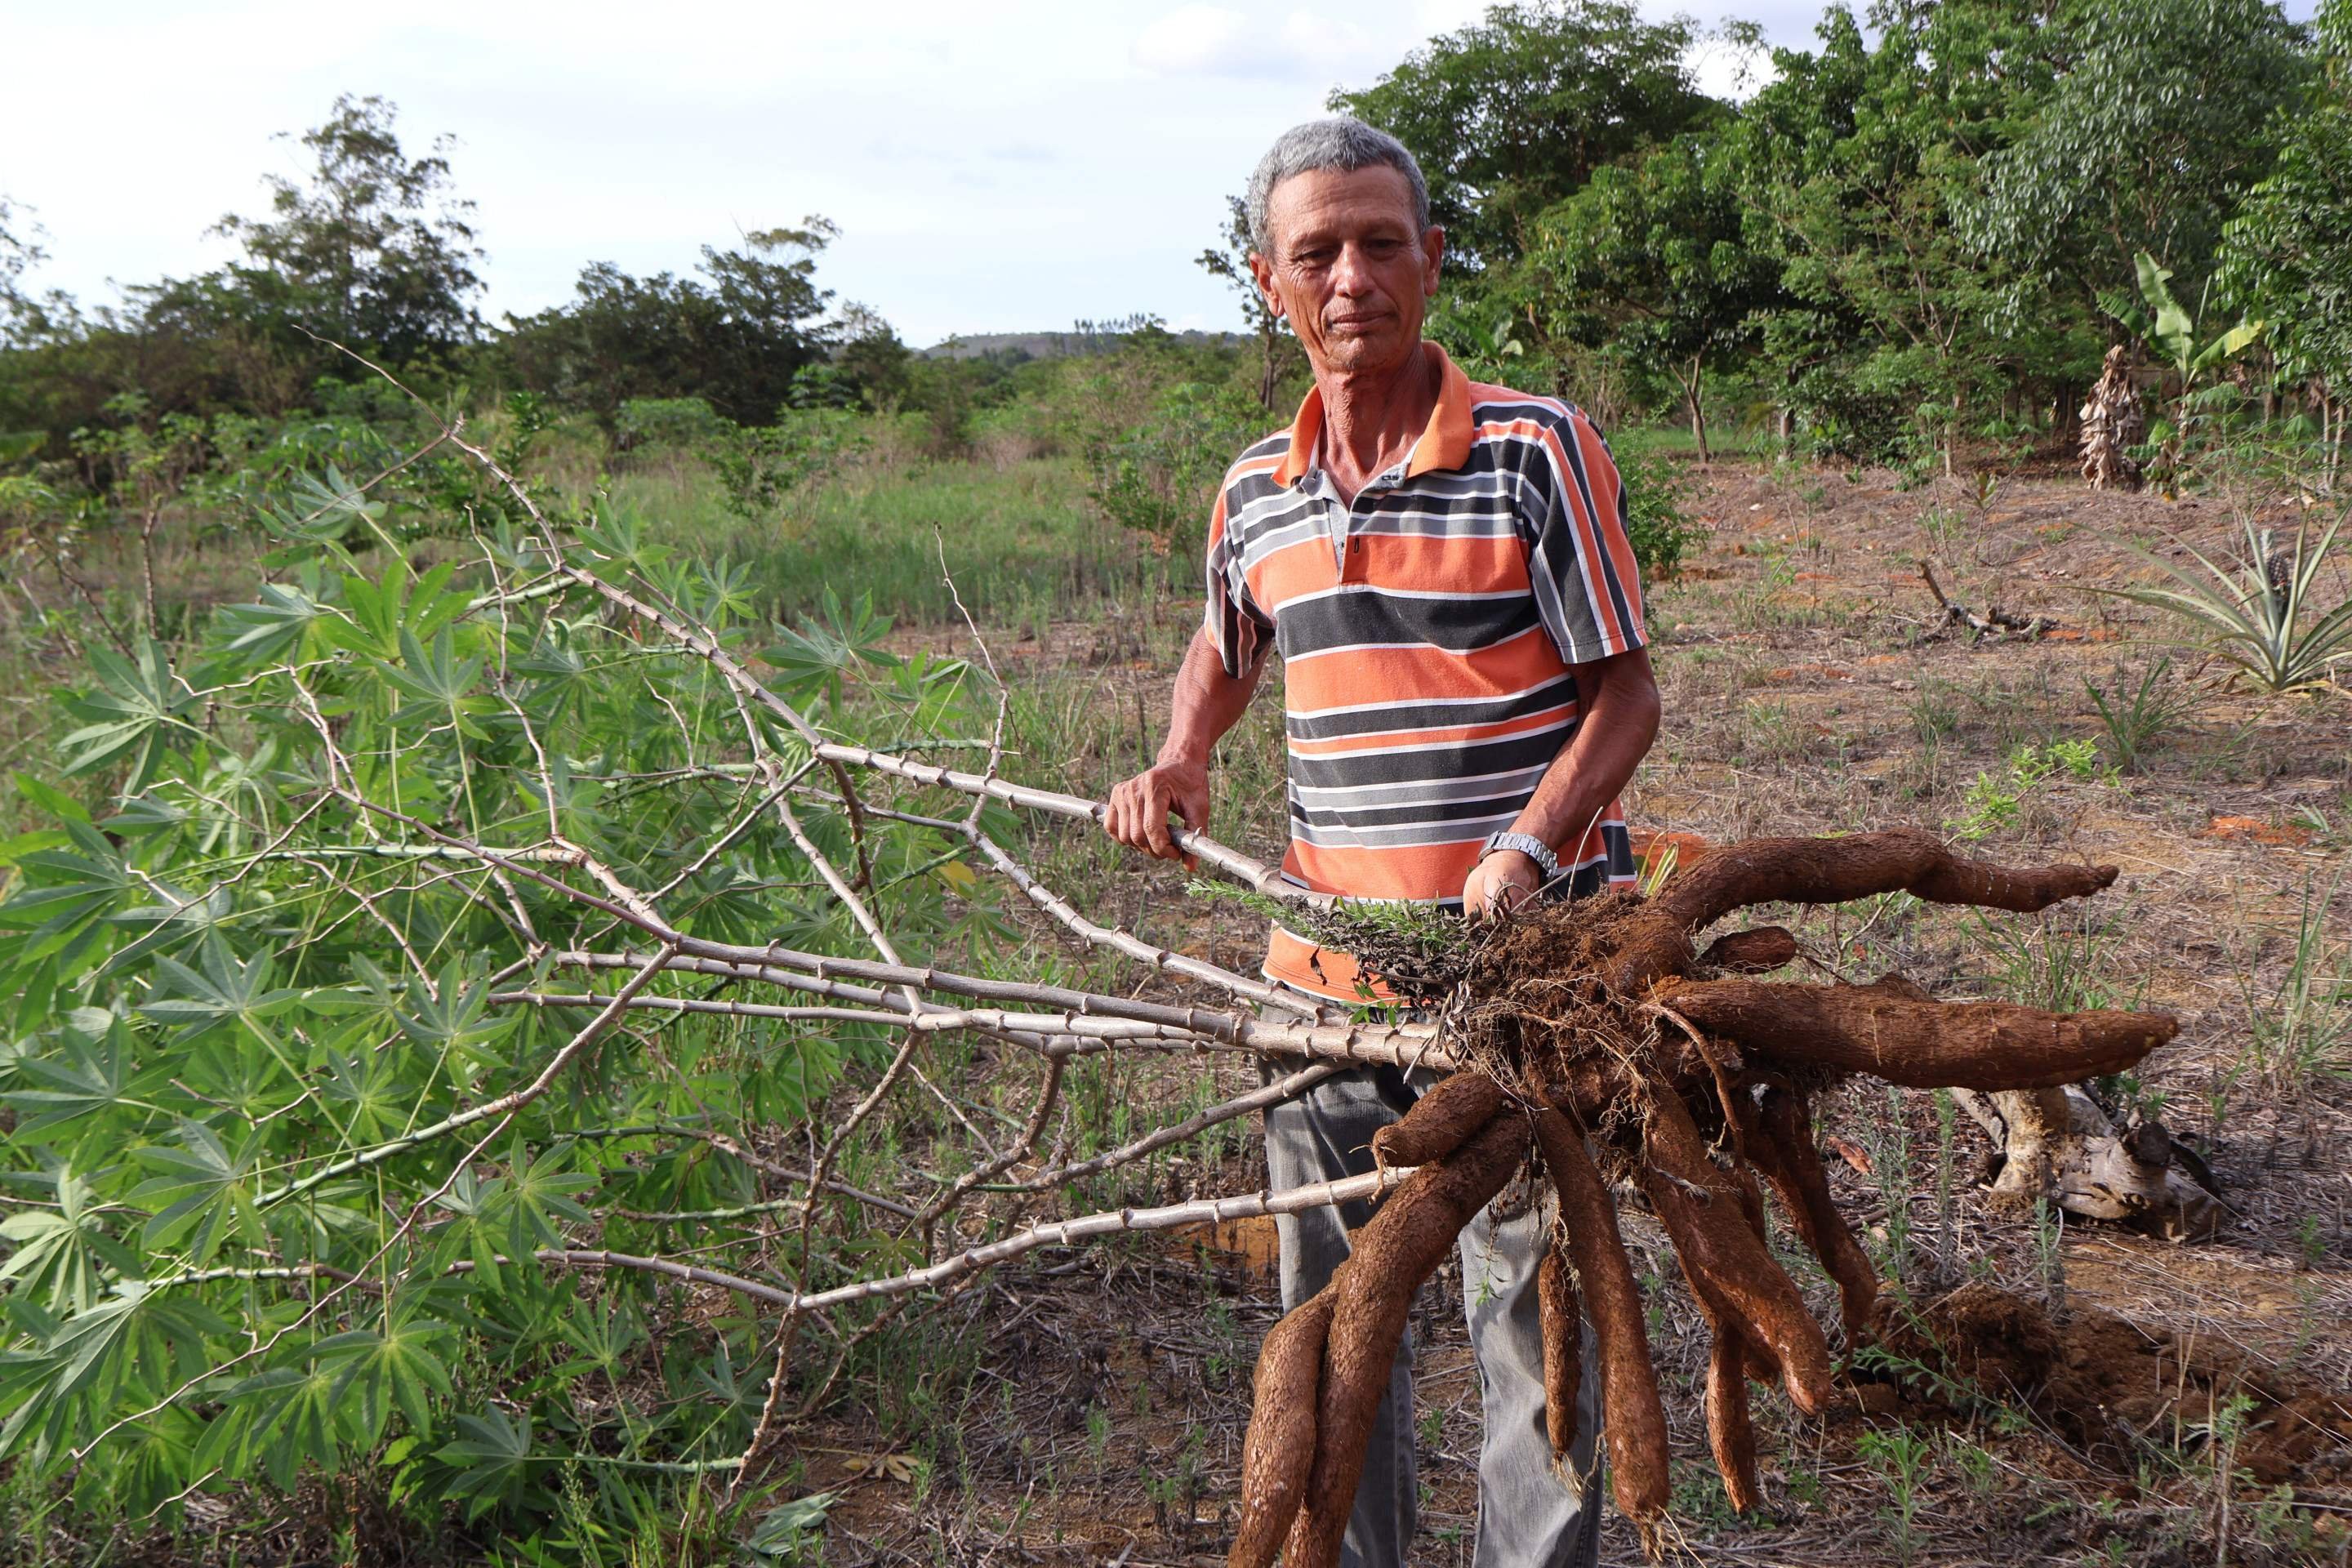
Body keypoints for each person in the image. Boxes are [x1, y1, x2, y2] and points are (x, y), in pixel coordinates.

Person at [1103, 118, 1662, 1567]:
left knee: (1536, 1330)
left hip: (1526, 987)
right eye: (1317, 252)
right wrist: (1181, 756)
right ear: (1270, 283)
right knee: (1335, 1337)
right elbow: (1225, 643)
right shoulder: (1254, 487)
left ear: (1431, 260)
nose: (1350, 276)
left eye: (1380, 243)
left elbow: (1625, 693)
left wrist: (1529, 846)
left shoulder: (1535, 450)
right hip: (1324, 987)